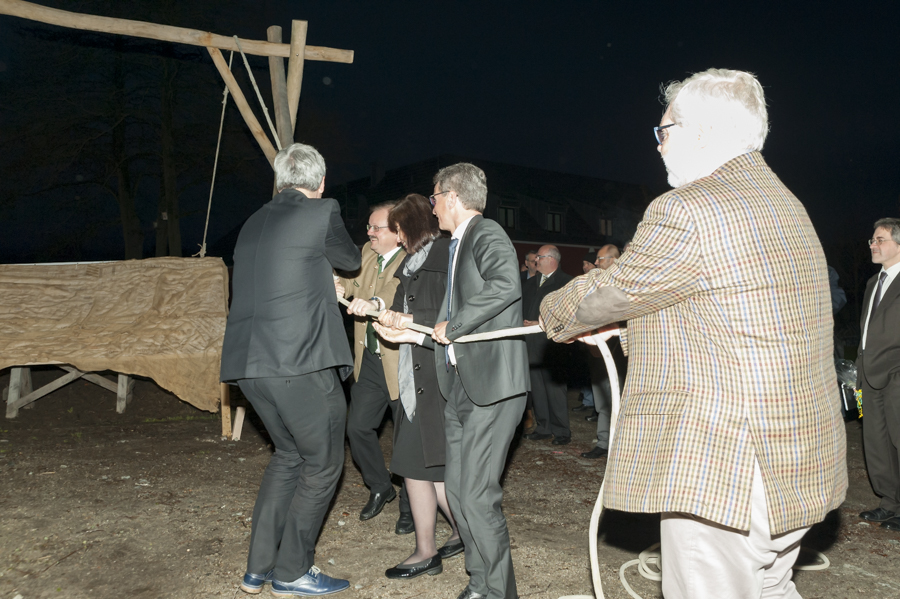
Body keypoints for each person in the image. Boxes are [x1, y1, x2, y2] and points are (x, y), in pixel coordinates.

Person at [540, 69, 847, 599]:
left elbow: (605, 294)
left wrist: (554, 309)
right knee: (771, 588)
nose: (658, 145)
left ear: (700, 132)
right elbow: (726, 316)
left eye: (664, 130)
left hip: (729, 470)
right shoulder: (785, 203)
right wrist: (627, 328)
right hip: (794, 462)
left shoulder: (689, 207)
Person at [220, 142, 359, 597]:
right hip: (299, 364)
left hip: (248, 367)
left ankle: (258, 568)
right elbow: (351, 260)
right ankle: (292, 571)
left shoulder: (252, 222)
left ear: (280, 180)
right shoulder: (322, 211)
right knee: (323, 463)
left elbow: (283, 273)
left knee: (288, 456)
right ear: (321, 182)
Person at [430, 163, 528, 599]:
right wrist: (410, 327)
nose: (432, 207)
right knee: (456, 491)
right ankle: (480, 582)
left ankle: (499, 592)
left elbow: (505, 285)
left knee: (475, 495)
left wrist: (454, 326)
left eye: (434, 198)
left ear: (452, 197)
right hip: (461, 384)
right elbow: (448, 314)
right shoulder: (455, 244)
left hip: (492, 386)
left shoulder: (486, 233)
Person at [370, 193, 462, 580]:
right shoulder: (411, 264)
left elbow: (451, 316)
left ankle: (456, 540)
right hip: (414, 379)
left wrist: (408, 322)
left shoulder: (443, 257)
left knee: (431, 469)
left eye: (399, 229)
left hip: (437, 379)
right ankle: (438, 545)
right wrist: (384, 316)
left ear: (412, 226)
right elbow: (400, 309)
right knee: (418, 467)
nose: (398, 237)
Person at [337, 204, 414, 533]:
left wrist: (374, 304)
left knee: (407, 441)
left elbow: (391, 290)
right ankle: (381, 486)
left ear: (397, 233)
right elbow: (351, 280)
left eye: (376, 228)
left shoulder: (410, 258)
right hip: (369, 358)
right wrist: (338, 284)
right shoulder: (367, 253)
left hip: (400, 361)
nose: (369, 233)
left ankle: (411, 507)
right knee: (357, 427)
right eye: (368, 226)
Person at [857, 218, 900, 531]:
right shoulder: (874, 282)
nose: (873, 244)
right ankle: (889, 503)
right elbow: (867, 330)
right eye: (872, 240)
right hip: (869, 377)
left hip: (897, 373)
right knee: (876, 442)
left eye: (880, 239)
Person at [522, 245, 573, 444]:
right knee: (537, 388)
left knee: (555, 389)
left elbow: (569, 314)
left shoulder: (566, 283)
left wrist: (542, 323)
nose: (536, 260)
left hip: (553, 344)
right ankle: (543, 427)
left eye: (540, 257)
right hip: (530, 343)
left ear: (552, 259)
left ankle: (561, 432)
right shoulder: (529, 283)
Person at [582, 244, 625, 459]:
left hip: (620, 350)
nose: (596, 263)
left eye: (600, 259)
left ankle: (621, 447)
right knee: (602, 400)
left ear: (614, 261)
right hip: (597, 348)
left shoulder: (624, 284)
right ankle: (603, 442)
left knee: (619, 398)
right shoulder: (594, 283)